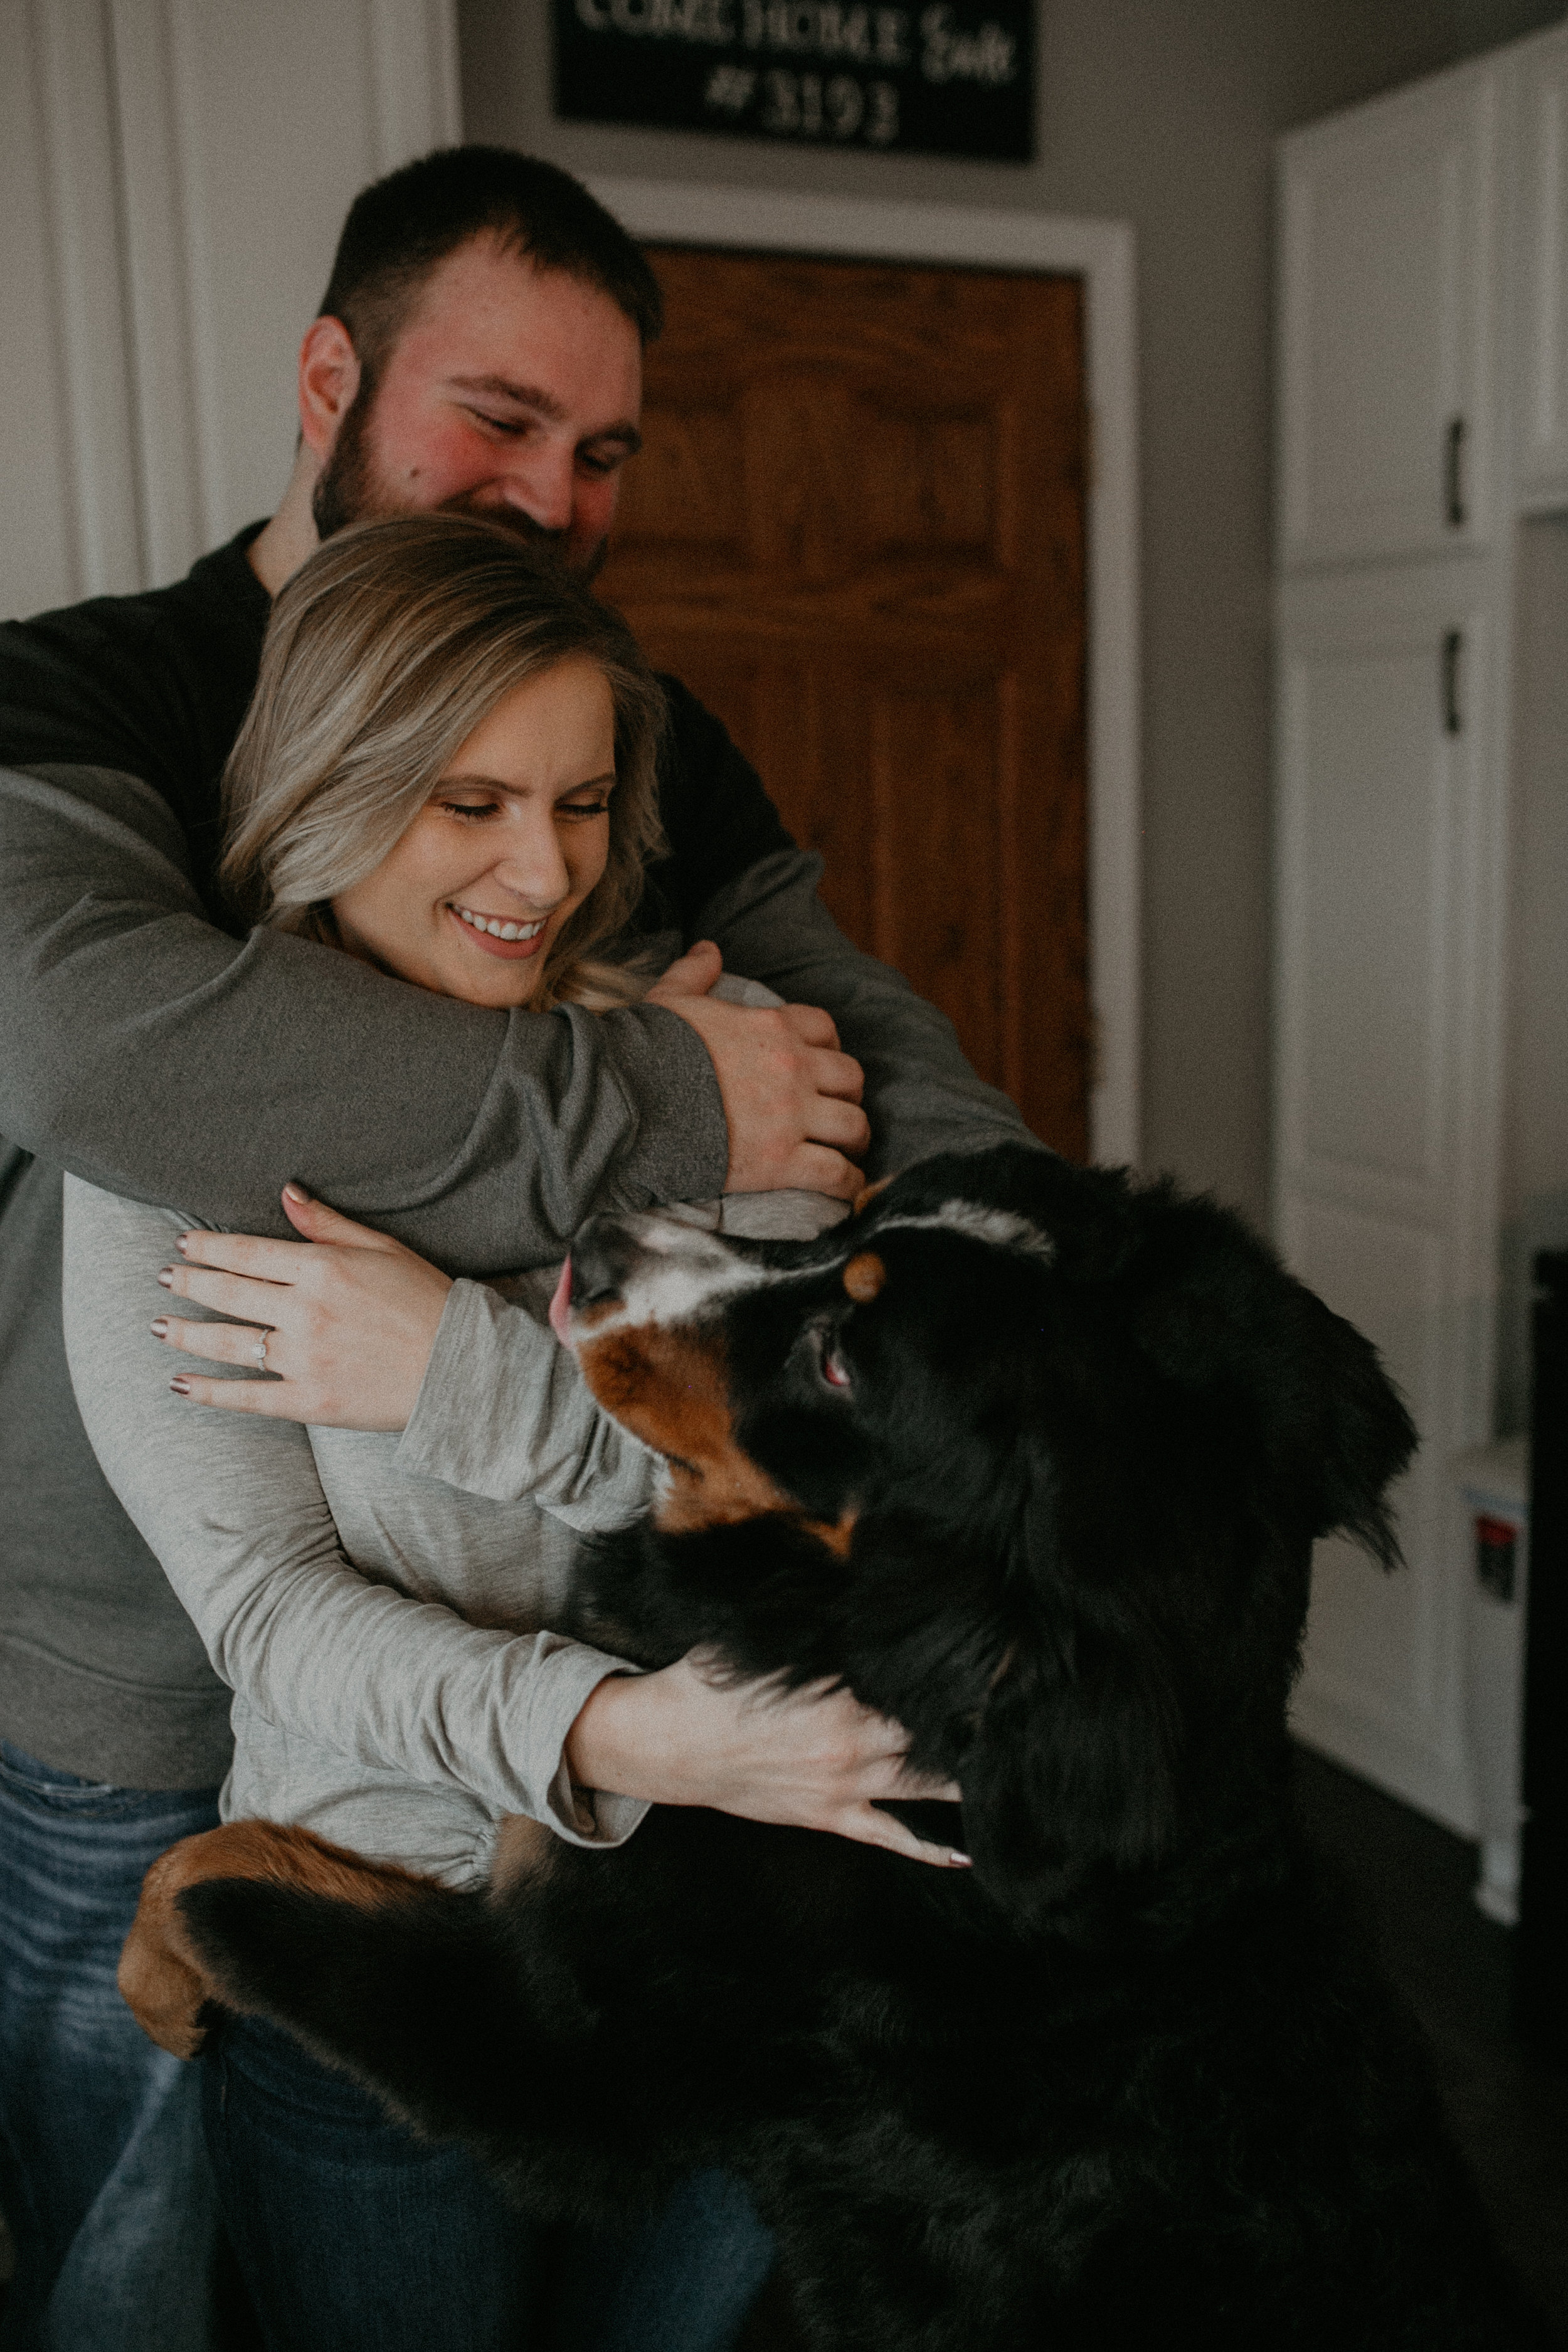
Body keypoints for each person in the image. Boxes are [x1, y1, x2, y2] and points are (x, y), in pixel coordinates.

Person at [0, 147, 1029, 2344]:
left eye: (603, 451)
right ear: (331, 375)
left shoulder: (630, 767)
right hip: (141, 1693)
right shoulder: (95, 687)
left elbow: (850, 1076)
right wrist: (664, 1101)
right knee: (130, 2260)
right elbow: (100, 1057)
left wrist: (1021, 1264)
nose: (552, 492)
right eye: (497, 419)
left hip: (649, 1821)